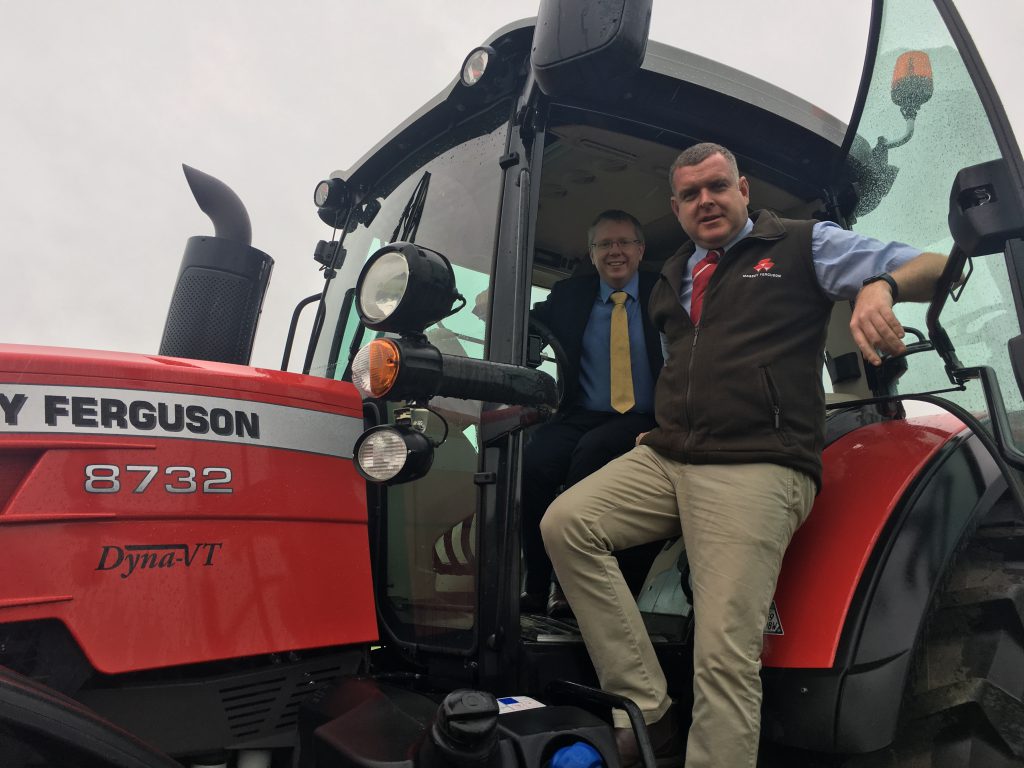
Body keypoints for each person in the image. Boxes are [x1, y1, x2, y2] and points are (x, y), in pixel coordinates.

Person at [540, 143, 948, 767]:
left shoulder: (805, 245)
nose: (706, 200)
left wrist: (881, 288)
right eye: (691, 194)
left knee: (723, 652)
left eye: (717, 186)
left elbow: (939, 265)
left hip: (758, 460)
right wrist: (669, 426)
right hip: (674, 455)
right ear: (676, 208)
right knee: (567, 525)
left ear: (743, 190)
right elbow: (688, 368)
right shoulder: (674, 275)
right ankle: (647, 710)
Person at [521, 209, 664, 616]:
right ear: (592, 252)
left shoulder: (664, 291)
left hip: (643, 415)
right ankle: (535, 584)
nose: (614, 251)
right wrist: (494, 308)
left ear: (640, 249)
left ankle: (571, 586)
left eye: (623, 243)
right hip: (581, 412)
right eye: (604, 244)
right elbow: (530, 323)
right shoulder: (571, 295)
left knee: (591, 456)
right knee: (535, 462)